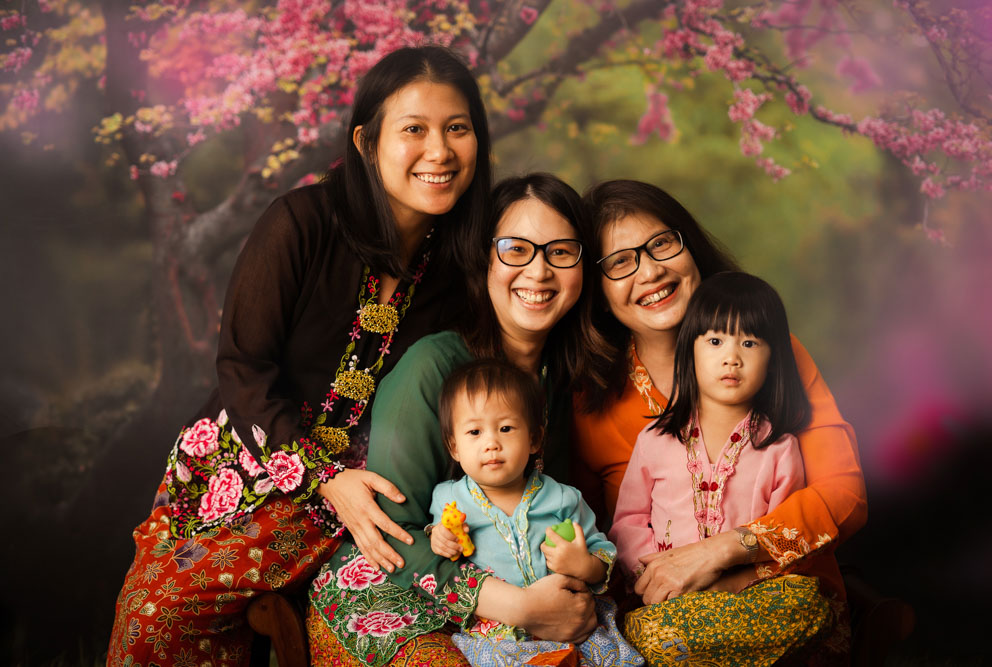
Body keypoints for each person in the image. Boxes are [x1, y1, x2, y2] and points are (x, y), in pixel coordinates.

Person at [107, 45, 493, 665]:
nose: (440, 151)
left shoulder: (470, 261)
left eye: (458, 128)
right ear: (366, 141)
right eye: (414, 130)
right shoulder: (301, 221)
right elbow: (243, 367)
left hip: (379, 490)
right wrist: (323, 477)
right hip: (250, 460)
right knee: (157, 616)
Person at [306, 174, 606, 666]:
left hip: (510, 601)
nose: (538, 271)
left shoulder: (558, 376)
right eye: (515, 249)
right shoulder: (433, 367)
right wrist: (520, 607)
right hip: (392, 585)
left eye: (560, 251)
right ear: (484, 258)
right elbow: (390, 531)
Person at [573, 180, 867, 662]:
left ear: (691, 247)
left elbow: (846, 496)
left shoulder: (773, 355)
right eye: (621, 262)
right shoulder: (589, 398)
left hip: (777, 602)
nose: (649, 270)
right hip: (660, 612)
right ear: (600, 292)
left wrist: (727, 552)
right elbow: (590, 526)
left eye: (662, 244)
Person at [611, 271, 834, 664]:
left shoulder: (779, 447)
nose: (732, 357)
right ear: (690, 350)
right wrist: (653, 580)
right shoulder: (655, 440)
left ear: (773, 359)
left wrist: (735, 583)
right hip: (668, 604)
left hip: (747, 601)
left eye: (749, 342)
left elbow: (783, 543)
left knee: (808, 605)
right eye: (715, 341)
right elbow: (628, 522)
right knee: (652, 631)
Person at [427, 358, 640, 667]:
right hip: (498, 633)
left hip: (571, 622)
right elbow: (437, 544)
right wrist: (440, 538)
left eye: (505, 428)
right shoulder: (449, 499)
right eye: (474, 432)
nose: (491, 443)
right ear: (454, 448)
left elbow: (602, 556)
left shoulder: (563, 498)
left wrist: (584, 564)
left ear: (534, 439)